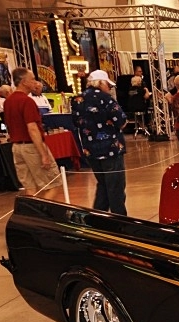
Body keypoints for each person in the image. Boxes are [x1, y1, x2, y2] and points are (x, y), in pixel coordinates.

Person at [73, 69, 128, 215]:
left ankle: (97, 218)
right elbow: (121, 120)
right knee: (115, 187)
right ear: (101, 83)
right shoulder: (106, 98)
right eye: (108, 85)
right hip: (110, 149)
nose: (109, 88)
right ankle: (120, 220)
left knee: (103, 185)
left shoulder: (78, 99)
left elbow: (76, 122)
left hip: (90, 150)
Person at [3, 67, 59, 195]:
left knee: (30, 186)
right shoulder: (27, 101)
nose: (35, 82)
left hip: (16, 147)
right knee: (53, 183)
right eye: (32, 79)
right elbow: (32, 128)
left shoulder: (8, 101)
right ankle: (41, 208)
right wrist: (43, 154)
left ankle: (32, 207)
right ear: (24, 82)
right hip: (31, 146)